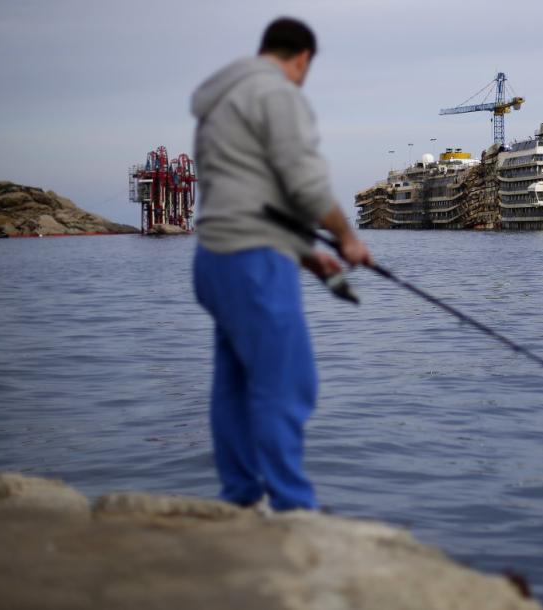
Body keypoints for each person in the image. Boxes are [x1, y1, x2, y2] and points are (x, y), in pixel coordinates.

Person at [190, 17, 370, 512]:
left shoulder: (220, 101)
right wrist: (347, 238)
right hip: (255, 263)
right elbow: (306, 185)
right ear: (302, 58)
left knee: (234, 382)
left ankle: (241, 498)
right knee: (286, 385)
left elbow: (247, 194)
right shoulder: (278, 94)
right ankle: (295, 508)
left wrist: (308, 254)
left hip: (214, 259)